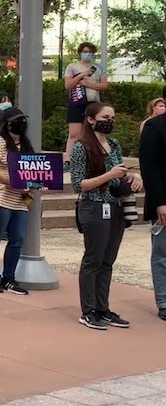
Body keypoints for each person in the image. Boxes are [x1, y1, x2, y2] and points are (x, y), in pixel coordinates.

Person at [72, 102, 141, 330]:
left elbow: (119, 174)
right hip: (94, 206)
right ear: (91, 119)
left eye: (112, 116)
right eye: (105, 116)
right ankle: (88, 310)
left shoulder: (114, 144)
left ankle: (103, 307)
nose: (110, 120)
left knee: (108, 260)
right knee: (93, 258)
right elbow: (78, 184)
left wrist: (131, 176)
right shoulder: (82, 147)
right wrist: (108, 175)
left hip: (116, 206)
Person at [0, 106, 35, 294]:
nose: (22, 123)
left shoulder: (26, 145)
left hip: (19, 198)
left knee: (17, 239)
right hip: (0, 194)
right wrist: (12, 181)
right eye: (17, 120)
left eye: (23, 119)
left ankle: (8, 278)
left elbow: (33, 171)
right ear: (7, 123)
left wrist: (36, 183)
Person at [138, 85, 166, 322]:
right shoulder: (154, 127)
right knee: (162, 254)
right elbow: (150, 168)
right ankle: (164, 301)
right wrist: (160, 202)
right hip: (164, 201)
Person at [64, 42, 108, 158]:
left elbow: (104, 86)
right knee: (74, 133)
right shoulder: (72, 67)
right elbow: (68, 85)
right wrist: (80, 76)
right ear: (80, 53)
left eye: (90, 52)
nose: (87, 54)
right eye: (85, 52)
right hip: (76, 102)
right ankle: (69, 159)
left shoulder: (98, 68)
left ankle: (92, 158)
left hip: (93, 103)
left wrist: (87, 84)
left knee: (93, 132)